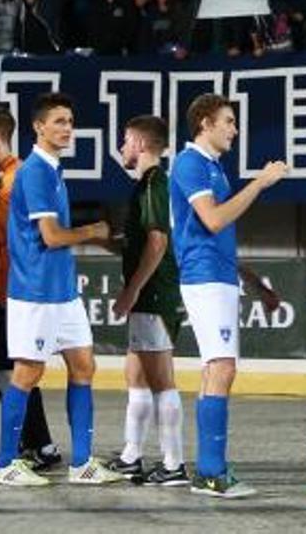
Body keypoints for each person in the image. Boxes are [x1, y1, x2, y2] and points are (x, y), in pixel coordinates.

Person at [0, 93, 126, 487]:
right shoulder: (35, 172)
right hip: (35, 292)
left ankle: (81, 463)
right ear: (38, 127)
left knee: (84, 366)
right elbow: (50, 236)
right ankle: (5, 464)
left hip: (62, 292)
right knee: (27, 373)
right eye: (59, 121)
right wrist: (93, 231)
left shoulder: (51, 170)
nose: (67, 128)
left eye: (70, 121)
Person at [168, 95, 289, 496]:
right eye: (229, 121)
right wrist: (260, 182)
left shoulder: (211, 167)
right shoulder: (191, 163)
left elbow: (215, 235)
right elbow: (214, 220)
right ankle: (211, 472)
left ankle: (209, 469)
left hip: (215, 275)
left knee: (214, 369)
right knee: (222, 367)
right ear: (205, 123)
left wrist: (253, 283)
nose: (235, 130)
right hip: (204, 277)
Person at [0, 105, 58, 472]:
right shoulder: (0, 179)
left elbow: (34, 237)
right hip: (2, 293)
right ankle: (33, 443)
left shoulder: (16, 179)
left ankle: (38, 445)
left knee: (9, 371)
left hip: (16, 293)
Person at [108, 115, 189, 486]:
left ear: (140, 144)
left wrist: (133, 290)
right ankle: (131, 455)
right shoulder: (148, 184)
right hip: (150, 295)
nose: (122, 147)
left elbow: (157, 242)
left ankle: (174, 464)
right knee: (136, 377)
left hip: (154, 294)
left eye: (126, 140)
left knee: (160, 381)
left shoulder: (155, 183)